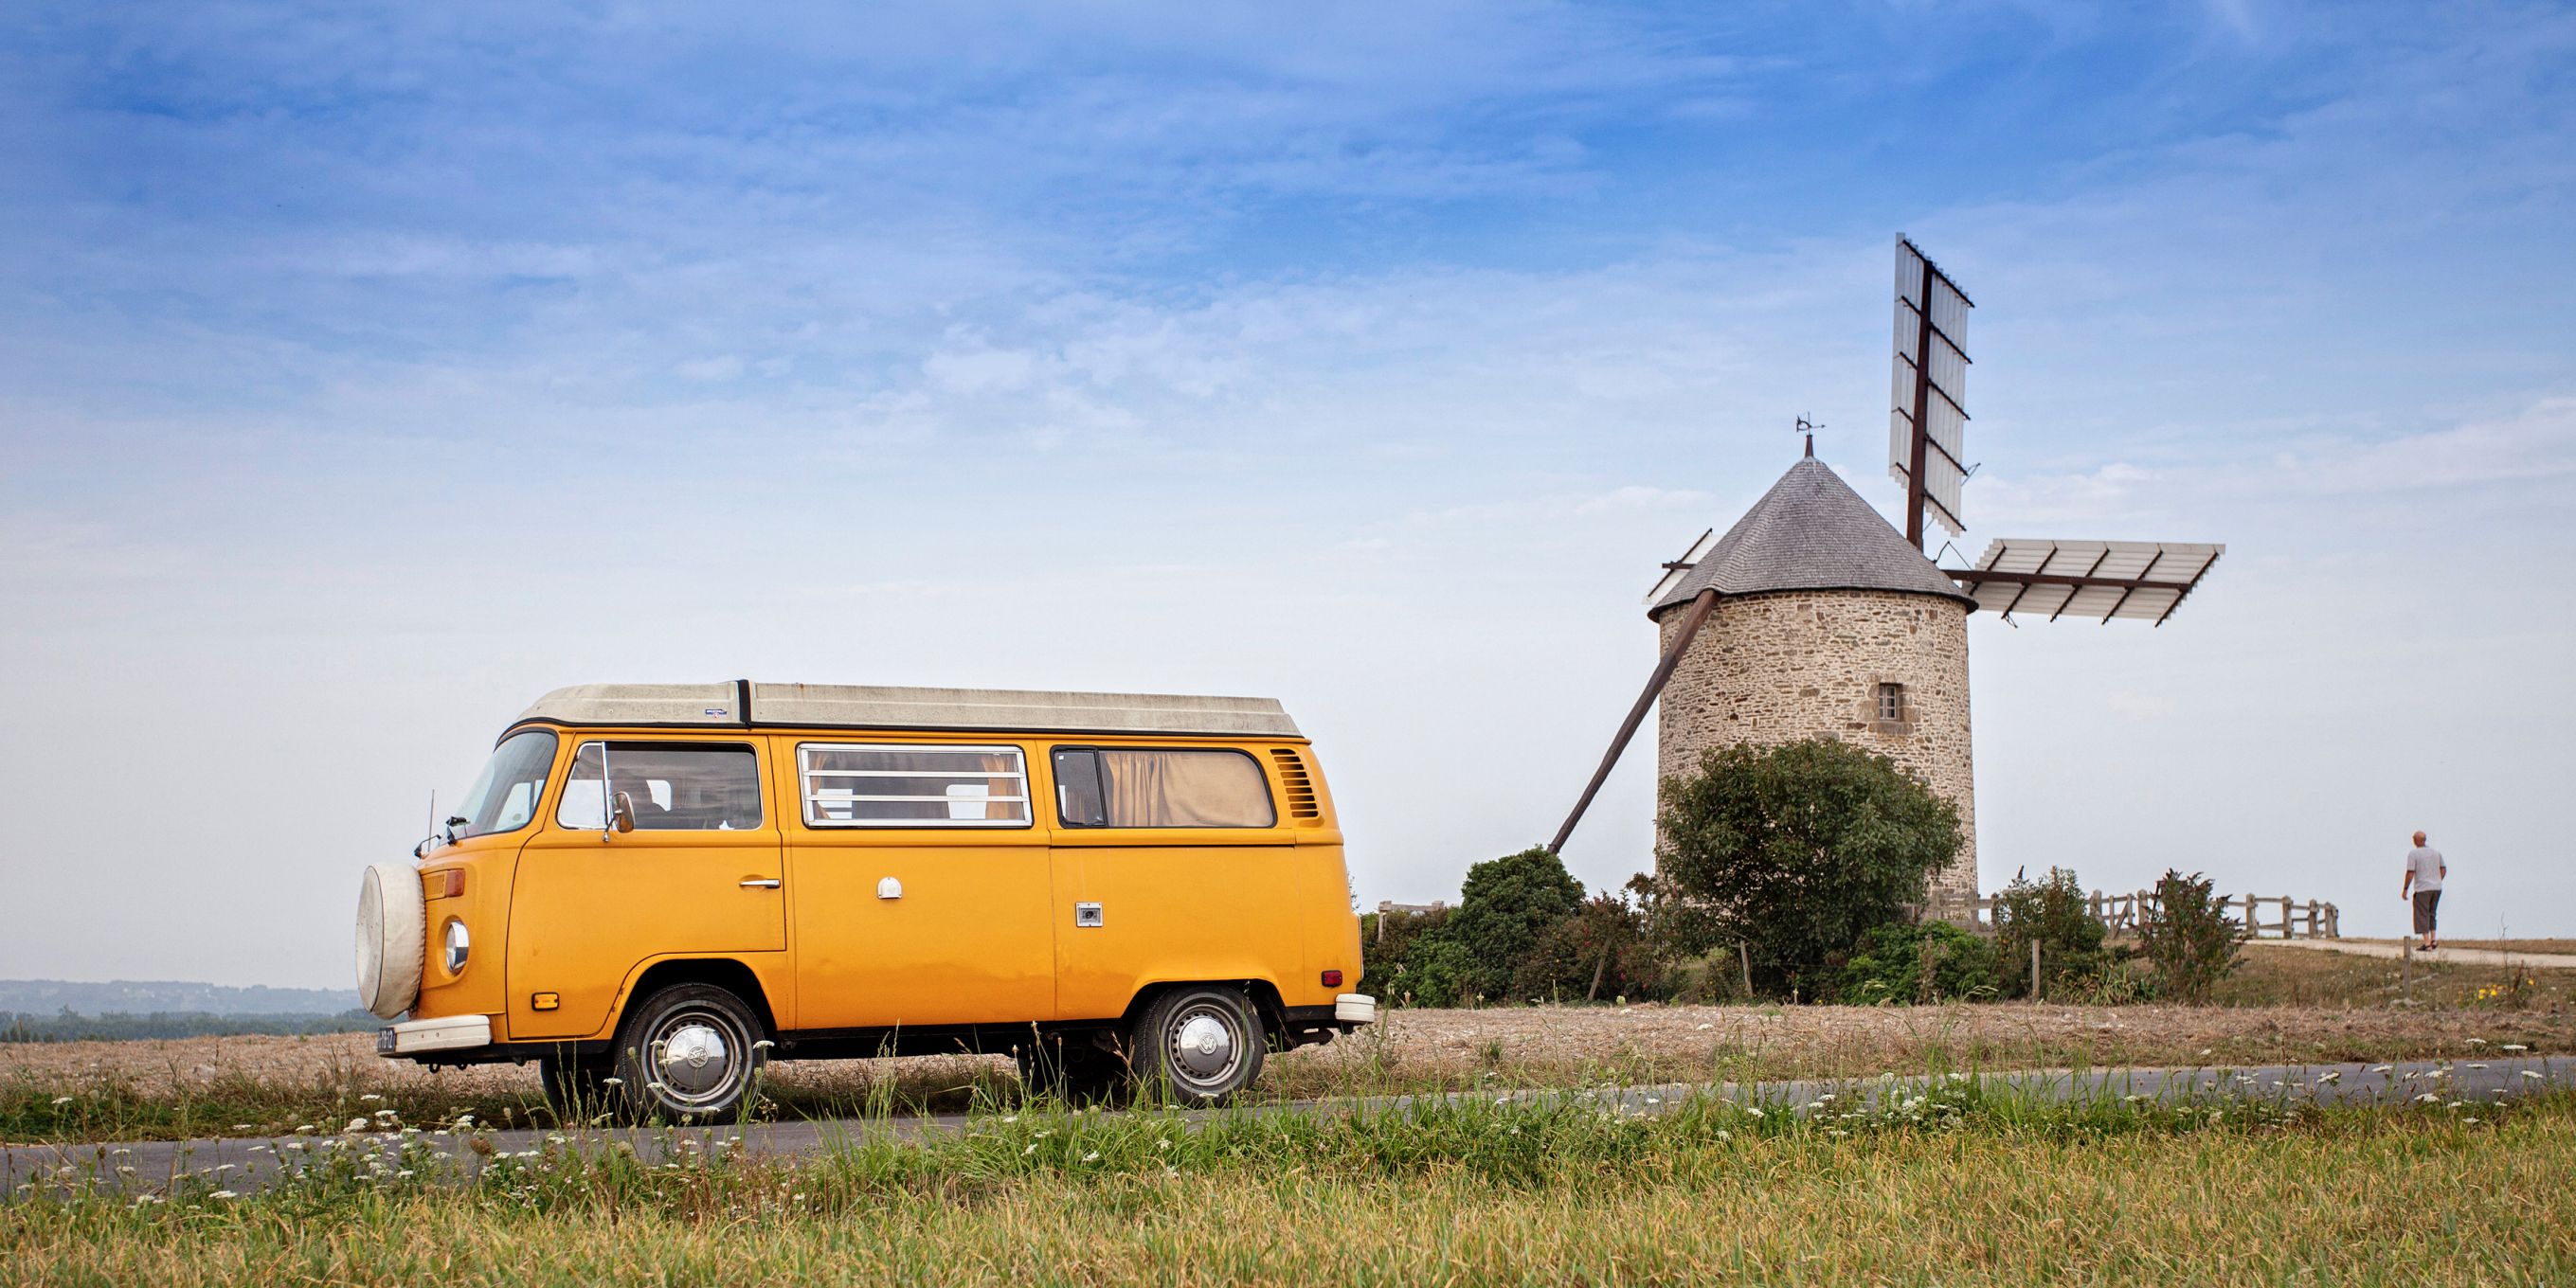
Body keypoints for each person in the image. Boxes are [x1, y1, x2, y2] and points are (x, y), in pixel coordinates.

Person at [2401, 831, 2445, 952]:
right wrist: (2437, 880)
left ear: (2417, 840)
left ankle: (2427, 943)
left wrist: (2405, 889)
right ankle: (2433, 939)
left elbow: (2410, 872)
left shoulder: (2414, 854)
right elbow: (2443, 868)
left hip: (2422, 888)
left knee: (2422, 914)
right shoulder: (2436, 853)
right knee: (2432, 913)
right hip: (2436, 888)